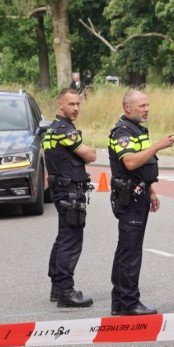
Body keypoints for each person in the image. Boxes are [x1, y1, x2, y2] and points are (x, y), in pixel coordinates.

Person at [107, 89, 174, 316]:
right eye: (142, 106)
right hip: (129, 198)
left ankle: (119, 301)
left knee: (126, 249)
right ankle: (129, 302)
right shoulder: (123, 132)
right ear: (128, 108)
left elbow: (142, 167)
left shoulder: (136, 129)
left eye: (148, 105)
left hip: (139, 193)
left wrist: (151, 190)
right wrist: (157, 146)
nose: (147, 109)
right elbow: (129, 162)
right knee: (130, 251)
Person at [42, 87, 97, 308]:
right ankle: (65, 290)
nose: (75, 108)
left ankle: (57, 286)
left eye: (78, 104)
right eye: (71, 104)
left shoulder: (53, 129)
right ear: (60, 104)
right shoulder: (64, 130)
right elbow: (90, 155)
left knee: (63, 235)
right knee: (71, 239)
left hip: (62, 188)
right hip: (69, 191)